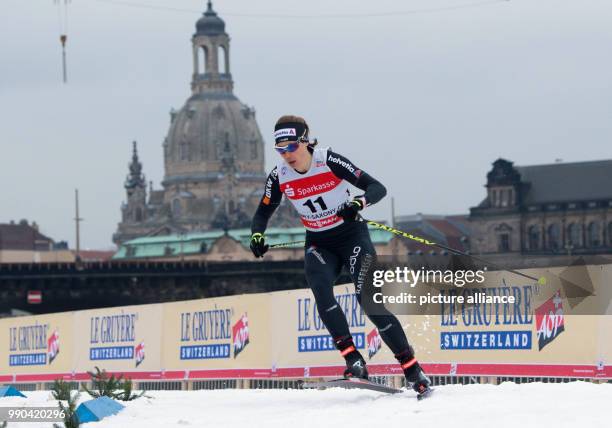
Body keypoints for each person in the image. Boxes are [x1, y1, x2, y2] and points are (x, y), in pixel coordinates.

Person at [250, 115, 431, 397]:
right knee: (321, 291)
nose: (287, 155)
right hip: (319, 244)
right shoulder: (279, 176)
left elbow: (377, 188)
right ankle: (353, 359)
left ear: (306, 141)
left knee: (368, 301)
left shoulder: (328, 160)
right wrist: (257, 236)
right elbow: (263, 211)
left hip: (352, 237)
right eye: (280, 150)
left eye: (291, 147)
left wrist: (359, 202)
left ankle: (411, 367)